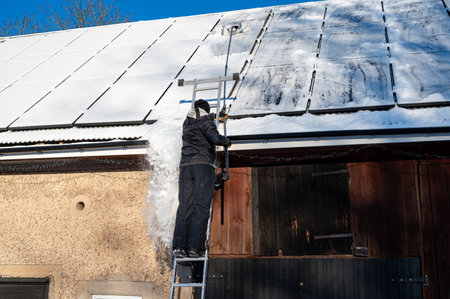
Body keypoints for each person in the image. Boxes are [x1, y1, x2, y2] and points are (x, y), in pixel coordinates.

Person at [172, 99, 230, 258]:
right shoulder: (205, 121)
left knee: (185, 206)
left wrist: (212, 118)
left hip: (185, 168)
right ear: (206, 110)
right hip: (202, 166)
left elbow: (202, 125)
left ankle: (179, 247)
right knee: (201, 206)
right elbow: (216, 139)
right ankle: (194, 247)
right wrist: (227, 141)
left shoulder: (187, 122)